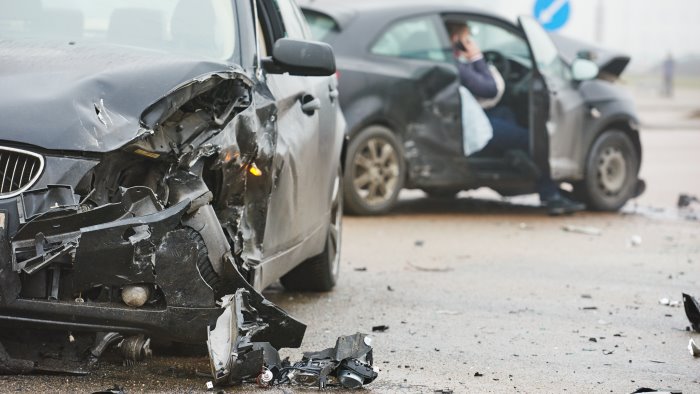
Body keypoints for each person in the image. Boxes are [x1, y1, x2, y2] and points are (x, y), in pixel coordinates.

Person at [446, 21, 585, 215]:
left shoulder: (449, 62)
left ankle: (513, 159)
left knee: (506, 114)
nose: (470, 42)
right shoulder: (456, 66)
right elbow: (489, 89)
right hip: (469, 126)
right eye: (467, 39)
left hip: (467, 118)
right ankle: (550, 193)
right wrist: (477, 57)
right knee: (531, 140)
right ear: (456, 40)